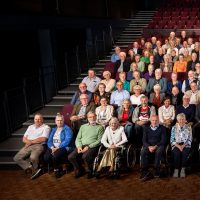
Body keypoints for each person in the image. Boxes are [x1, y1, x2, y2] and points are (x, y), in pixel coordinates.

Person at [13, 113, 50, 179]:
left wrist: (30, 142)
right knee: (16, 158)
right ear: (34, 120)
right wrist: (29, 142)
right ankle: (30, 168)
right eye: (36, 119)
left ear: (42, 120)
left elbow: (43, 138)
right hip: (28, 145)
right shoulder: (30, 127)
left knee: (32, 157)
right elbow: (24, 138)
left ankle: (35, 170)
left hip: (39, 145)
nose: (37, 120)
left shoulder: (46, 127)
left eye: (39, 119)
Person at [68, 112, 104, 179]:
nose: (92, 118)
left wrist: (89, 146)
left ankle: (90, 171)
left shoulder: (100, 127)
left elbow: (99, 140)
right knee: (71, 157)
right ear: (87, 118)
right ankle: (80, 170)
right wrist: (79, 146)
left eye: (93, 116)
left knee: (85, 156)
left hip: (93, 146)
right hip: (81, 145)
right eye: (90, 117)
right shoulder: (83, 127)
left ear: (96, 117)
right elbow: (78, 138)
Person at [43, 113, 73, 178]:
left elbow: (67, 141)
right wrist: (52, 147)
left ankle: (56, 170)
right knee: (46, 157)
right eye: (58, 120)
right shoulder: (53, 129)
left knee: (55, 156)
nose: (59, 122)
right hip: (53, 147)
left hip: (64, 147)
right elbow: (49, 141)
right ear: (55, 121)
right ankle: (58, 166)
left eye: (61, 120)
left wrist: (58, 147)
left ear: (63, 121)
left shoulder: (67, 129)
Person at [140, 115, 166, 181]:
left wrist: (155, 146)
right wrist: (149, 146)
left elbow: (163, 140)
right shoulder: (146, 128)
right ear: (150, 121)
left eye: (156, 120)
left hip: (159, 145)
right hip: (148, 145)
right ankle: (144, 171)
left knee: (159, 151)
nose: (154, 122)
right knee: (143, 152)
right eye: (153, 120)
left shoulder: (162, 128)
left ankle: (156, 169)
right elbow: (144, 140)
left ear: (158, 120)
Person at [170, 113, 192, 178]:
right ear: (177, 120)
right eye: (180, 119)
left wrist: (183, 145)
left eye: (183, 119)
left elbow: (190, 139)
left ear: (185, 120)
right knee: (177, 153)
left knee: (185, 153)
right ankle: (176, 169)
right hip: (176, 144)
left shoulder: (188, 127)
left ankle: (183, 169)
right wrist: (179, 146)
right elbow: (172, 139)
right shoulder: (174, 127)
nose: (181, 121)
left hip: (186, 144)